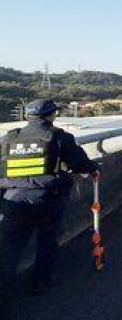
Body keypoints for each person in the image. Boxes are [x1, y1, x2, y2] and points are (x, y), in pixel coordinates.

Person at [0, 99, 98, 303]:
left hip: (12, 200)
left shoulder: (9, 138)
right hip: (47, 199)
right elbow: (79, 163)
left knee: (10, 248)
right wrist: (93, 169)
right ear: (50, 115)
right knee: (46, 240)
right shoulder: (60, 137)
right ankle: (41, 282)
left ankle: (4, 289)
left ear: (28, 116)